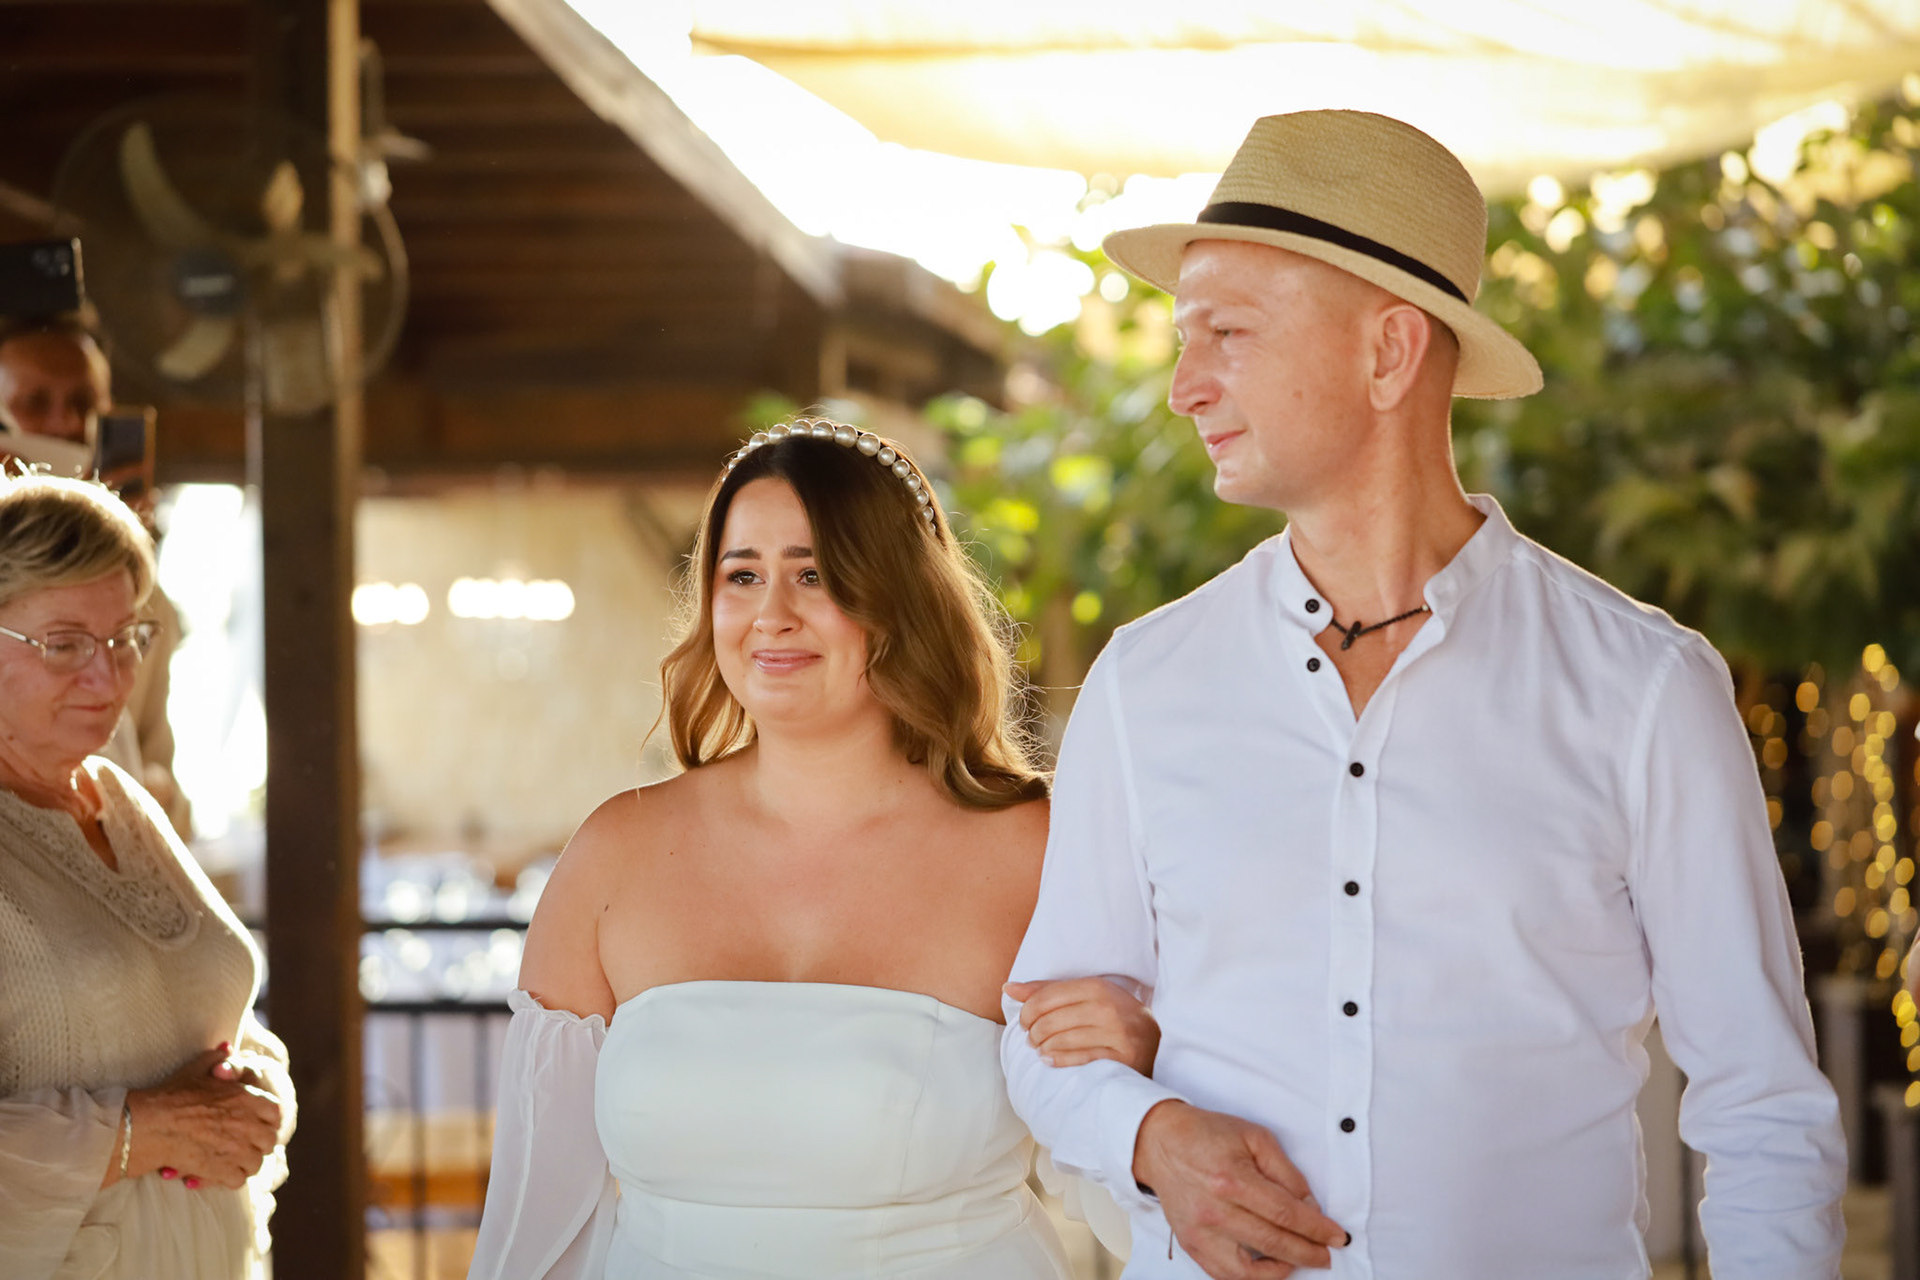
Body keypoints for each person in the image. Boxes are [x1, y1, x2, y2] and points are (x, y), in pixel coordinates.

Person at [1002, 110, 1848, 1279]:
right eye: (1184, 340)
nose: (1185, 388)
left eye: (1227, 333)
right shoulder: (1145, 685)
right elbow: (1043, 1032)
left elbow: (1763, 1110)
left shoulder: (1646, 690)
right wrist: (1148, 1136)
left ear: (1391, 351)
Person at [469, 420, 1158, 1279]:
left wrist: (1146, 1060)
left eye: (815, 574)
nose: (773, 615)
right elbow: (538, 1214)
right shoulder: (614, 854)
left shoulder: (1030, 848)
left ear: (899, 598)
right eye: (742, 575)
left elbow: (1126, 1179)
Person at [0, 470, 294, 1280]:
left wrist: (251, 1089)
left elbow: (202, 1013)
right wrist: (143, 1134)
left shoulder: (120, 799)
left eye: (126, 635)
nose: (110, 678)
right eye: (65, 643)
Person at [0, 317, 191, 838]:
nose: (65, 424)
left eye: (84, 404)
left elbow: (168, 789)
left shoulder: (144, 606)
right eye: (35, 403)